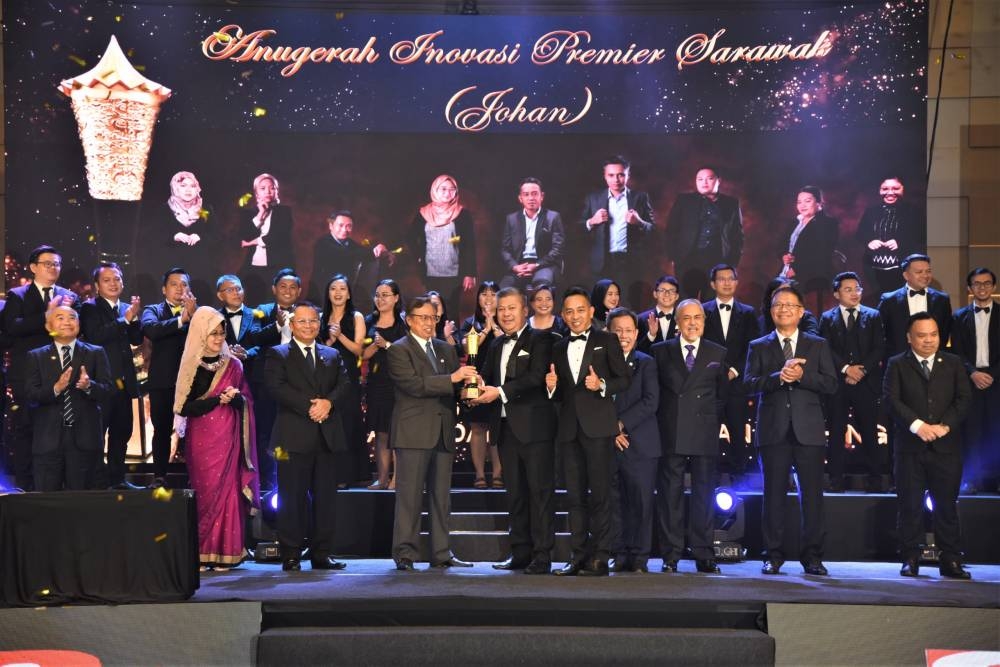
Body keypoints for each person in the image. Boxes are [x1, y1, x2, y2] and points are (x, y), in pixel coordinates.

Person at [745, 284, 837, 576]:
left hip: (808, 431)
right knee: (773, 495)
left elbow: (831, 384)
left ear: (800, 312)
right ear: (771, 312)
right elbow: (748, 384)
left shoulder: (817, 344)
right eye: (777, 305)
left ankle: (812, 557)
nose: (783, 309)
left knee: (812, 497)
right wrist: (777, 377)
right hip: (773, 431)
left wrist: (802, 376)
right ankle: (772, 555)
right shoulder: (758, 345)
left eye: (789, 305)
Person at [387, 295, 478, 571]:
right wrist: (452, 380)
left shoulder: (445, 349)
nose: (429, 323)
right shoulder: (398, 350)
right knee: (410, 497)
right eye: (423, 317)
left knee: (441, 497)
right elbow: (413, 385)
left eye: (433, 317)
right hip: (413, 432)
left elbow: (453, 389)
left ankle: (441, 553)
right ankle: (405, 553)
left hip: (443, 430)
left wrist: (469, 393)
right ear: (409, 320)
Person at [546, 286, 632, 576]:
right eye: (569, 311)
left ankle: (601, 556)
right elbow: (560, 396)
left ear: (591, 312)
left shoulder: (607, 340)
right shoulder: (557, 347)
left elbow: (624, 380)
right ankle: (578, 556)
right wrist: (552, 387)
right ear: (562, 315)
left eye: (580, 310)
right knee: (574, 497)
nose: (575, 316)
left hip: (598, 429)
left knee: (600, 495)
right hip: (569, 431)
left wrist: (602, 385)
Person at [474, 287, 557, 575]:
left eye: (511, 308)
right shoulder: (496, 345)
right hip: (506, 429)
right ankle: (520, 552)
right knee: (516, 494)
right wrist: (473, 387)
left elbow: (535, 378)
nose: (506, 314)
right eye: (501, 309)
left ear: (525, 311)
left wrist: (499, 392)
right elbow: (485, 375)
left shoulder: (541, 339)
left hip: (535, 431)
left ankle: (543, 555)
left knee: (539, 493)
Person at [264, 302, 352, 572]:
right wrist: (311, 406)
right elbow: (276, 387)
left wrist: (328, 403)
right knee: (291, 499)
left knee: (326, 500)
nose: (308, 326)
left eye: (313, 321)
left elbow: (345, 384)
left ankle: (321, 554)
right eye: (302, 322)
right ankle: (290, 554)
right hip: (292, 438)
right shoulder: (278, 354)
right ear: (292, 325)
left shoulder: (332, 354)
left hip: (326, 437)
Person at [884, 312, 972, 579]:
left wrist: (944, 426)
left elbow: (964, 399)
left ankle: (951, 560)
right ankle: (910, 558)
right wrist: (918, 425)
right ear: (909, 338)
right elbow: (891, 400)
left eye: (933, 335)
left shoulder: (954, 363)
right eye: (922, 335)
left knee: (946, 505)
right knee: (909, 505)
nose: (928, 340)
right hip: (910, 449)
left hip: (946, 448)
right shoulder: (897, 364)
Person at [174, 307, 260, 570]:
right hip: (201, 439)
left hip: (229, 437)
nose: (218, 338)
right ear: (200, 333)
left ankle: (227, 551)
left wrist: (235, 398)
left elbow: (247, 400)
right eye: (213, 333)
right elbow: (183, 407)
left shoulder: (234, 365)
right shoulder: (191, 364)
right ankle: (200, 552)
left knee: (229, 491)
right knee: (205, 493)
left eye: (221, 333)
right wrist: (213, 401)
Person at [652, 299, 728, 574]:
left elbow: (722, 396)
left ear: (704, 322)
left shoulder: (717, 353)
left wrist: (710, 419)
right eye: (686, 318)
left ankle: (704, 554)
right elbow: (656, 394)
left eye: (697, 317)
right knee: (670, 495)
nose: (693, 323)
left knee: (703, 495)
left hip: (704, 431)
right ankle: (670, 555)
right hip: (670, 430)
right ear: (678, 322)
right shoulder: (660, 351)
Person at [3, 245, 77, 491]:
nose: (53, 268)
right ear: (33, 267)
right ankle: (25, 485)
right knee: (26, 427)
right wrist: (46, 317)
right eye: (47, 264)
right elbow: (11, 328)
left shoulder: (68, 295)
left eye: (57, 264)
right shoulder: (18, 295)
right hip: (26, 373)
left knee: (59, 429)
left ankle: (56, 484)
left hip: (61, 371)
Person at [24, 305, 112, 492]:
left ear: (79, 324)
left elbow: (108, 391)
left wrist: (90, 386)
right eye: (60, 317)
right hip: (48, 440)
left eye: (72, 317)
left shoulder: (95, 353)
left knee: (83, 503)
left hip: (85, 439)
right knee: (47, 504)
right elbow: (30, 395)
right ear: (49, 326)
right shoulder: (36, 356)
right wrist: (56, 389)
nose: (67, 322)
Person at [818, 272, 886, 493]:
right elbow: (825, 348)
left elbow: (879, 348)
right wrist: (846, 369)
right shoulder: (827, 318)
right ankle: (836, 480)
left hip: (866, 384)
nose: (854, 293)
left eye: (857, 288)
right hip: (838, 383)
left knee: (869, 432)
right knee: (836, 432)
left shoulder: (873, 315)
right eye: (848, 289)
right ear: (836, 293)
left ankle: (875, 480)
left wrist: (861, 370)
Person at [605, 308, 660, 574]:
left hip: (641, 444)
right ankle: (619, 552)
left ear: (637, 334)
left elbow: (651, 401)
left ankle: (640, 557)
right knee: (615, 502)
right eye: (618, 330)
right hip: (609, 442)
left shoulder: (646, 362)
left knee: (640, 502)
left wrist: (621, 424)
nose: (623, 335)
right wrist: (611, 430)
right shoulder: (600, 363)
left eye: (628, 330)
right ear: (608, 332)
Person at [79, 262, 143, 490]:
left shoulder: (127, 307)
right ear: (97, 286)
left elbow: (136, 340)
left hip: (124, 382)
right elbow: (95, 336)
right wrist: (125, 320)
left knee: (121, 432)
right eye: (107, 280)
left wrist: (134, 320)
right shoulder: (90, 308)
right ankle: (96, 481)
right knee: (98, 433)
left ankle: (118, 480)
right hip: (101, 382)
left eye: (117, 279)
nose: (113, 283)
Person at [702, 264, 760, 483]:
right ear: (713, 284)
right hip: (710, 382)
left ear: (736, 282)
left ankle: (739, 473)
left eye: (730, 279)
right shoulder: (703, 311)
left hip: (737, 383)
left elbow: (752, 346)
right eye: (721, 279)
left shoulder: (748, 313)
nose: (726, 282)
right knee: (710, 430)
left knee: (738, 429)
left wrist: (736, 370)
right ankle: (711, 474)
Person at [140, 268, 198, 488]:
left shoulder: (199, 314)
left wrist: (191, 317)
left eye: (184, 284)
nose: (179, 288)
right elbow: (151, 330)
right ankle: (159, 476)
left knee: (193, 433)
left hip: (192, 382)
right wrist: (181, 320)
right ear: (164, 289)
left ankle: (196, 476)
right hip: (162, 381)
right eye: (174, 284)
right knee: (161, 429)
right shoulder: (153, 310)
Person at [580, 156, 655, 308]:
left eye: (621, 174)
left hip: (629, 261)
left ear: (628, 175)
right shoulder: (593, 198)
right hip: (601, 262)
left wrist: (639, 222)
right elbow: (577, 229)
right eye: (611, 175)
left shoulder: (640, 198)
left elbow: (654, 231)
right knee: (600, 306)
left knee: (627, 306)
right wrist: (592, 221)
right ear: (605, 176)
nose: (616, 179)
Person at [252, 268, 302, 491]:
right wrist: (278, 326)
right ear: (274, 289)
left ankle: (295, 480)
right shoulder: (262, 311)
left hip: (299, 384)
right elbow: (253, 337)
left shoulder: (307, 312)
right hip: (268, 382)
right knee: (266, 430)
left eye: (293, 287)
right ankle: (267, 480)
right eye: (283, 286)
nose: (288, 291)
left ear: (299, 291)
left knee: (296, 431)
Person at [949, 268, 999, 494]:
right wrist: (973, 373)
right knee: (971, 432)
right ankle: (972, 481)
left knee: (996, 432)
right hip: (969, 381)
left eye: (987, 283)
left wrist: (991, 375)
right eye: (977, 284)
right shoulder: (958, 317)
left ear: (994, 287)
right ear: (970, 289)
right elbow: (956, 351)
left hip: (997, 382)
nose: (982, 287)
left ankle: (996, 481)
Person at [666, 167, 744, 300]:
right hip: (688, 260)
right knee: (686, 303)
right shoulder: (684, 200)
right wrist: (674, 256)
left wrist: (731, 264)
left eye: (709, 178)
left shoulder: (731, 203)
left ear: (718, 181)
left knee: (712, 304)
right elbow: (671, 230)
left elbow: (737, 236)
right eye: (700, 179)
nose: (704, 182)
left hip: (717, 261)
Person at [320, 274, 368, 487]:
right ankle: (327, 474)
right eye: (333, 289)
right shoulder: (320, 316)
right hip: (324, 377)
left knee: (347, 424)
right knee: (327, 425)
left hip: (348, 375)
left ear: (348, 294)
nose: (337, 293)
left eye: (342, 289)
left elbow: (359, 350)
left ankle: (346, 475)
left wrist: (339, 336)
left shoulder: (355, 316)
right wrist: (330, 338)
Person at [406, 174, 478, 315]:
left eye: (452, 189)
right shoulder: (423, 213)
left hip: (455, 272)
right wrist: (419, 256)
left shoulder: (463, 214)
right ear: (435, 190)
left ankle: (450, 338)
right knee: (433, 311)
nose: (448, 193)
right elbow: (410, 238)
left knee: (451, 312)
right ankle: (434, 338)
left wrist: (470, 273)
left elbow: (470, 245)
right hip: (430, 271)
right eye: (443, 189)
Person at [361, 279, 407, 489]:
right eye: (378, 294)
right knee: (380, 433)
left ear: (396, 298)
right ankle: (382, 477)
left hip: (397, 383)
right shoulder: (369, 322)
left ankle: (398, 477)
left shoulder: (404, 323)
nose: (380, 299)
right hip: (376, 383)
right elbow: (359, 353)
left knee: (397, 433)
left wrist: (387, 345)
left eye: (385, 294)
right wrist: (366, 353)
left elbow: (409, 353)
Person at [458, 281, 504, 489]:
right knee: (477, 427)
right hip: (475, 378)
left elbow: (505, 343)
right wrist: (485, 328)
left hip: (499, 380)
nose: (488, 298)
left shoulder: (506, 320)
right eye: (484, 294)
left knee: (496, 427)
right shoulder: (470, 322)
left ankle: (497, 473)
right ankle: (478, 474)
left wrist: (494, 324)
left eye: (493, 294)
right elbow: (468, 346)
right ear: (477, 298)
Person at [878, 253, 953, 364]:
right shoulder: (889, 300)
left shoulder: (942, 300)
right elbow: (880, 334)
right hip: (898, 363)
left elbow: (945, 332)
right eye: (919, 272)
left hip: (933, 362)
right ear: (906, 275)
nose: (925, 275)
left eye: (928, 271)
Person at [855, 177, 922, 300]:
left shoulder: (913, 211)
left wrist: (900, 242)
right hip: (873, 271)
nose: (890, 192)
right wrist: (869, 242)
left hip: (903, 271)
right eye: (885, 188)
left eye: (895, 188)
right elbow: (860, 234)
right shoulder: (871, 211)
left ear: (903, 189)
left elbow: (920, 236)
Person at [309, 210, 392, 304]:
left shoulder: (350, 244)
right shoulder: (323, 243)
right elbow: (347, 255)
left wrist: (381, 250)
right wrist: (373, 252)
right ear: (331, 226)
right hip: (322, 296)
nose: (344, 229)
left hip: (343, 296)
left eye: (349, 226)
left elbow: (364, 253)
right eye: (340, 225)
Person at [155, 171, 216, 297]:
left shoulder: (206, 209)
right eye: (183, 186)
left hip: (200, 270)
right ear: (175, 188)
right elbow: (154, 237)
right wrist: (175, 237)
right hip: (171, 267)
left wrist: (200, 237)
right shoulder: (164, 209)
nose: (188, 190)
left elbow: (216, 236)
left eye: (192, 186)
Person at [779, 186, 839, 312]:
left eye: (808, 201)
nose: (802, 205)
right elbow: (781, 245)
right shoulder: (795, 222)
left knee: (787, 300)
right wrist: (783, 256)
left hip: (813, 274)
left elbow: (822, 254)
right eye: (799, 202)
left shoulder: (828, 223)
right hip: (787, 271)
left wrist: (797, 269)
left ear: (818, 202)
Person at [500, 177, 565, 290]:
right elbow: (505, 250)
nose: (531, 198)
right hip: (519, 266)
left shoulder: (553, 217)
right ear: (520, 198)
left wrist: (536, 265)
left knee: (541, 289)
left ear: (542, 196)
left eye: (535, 194)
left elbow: (558, 249)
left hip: (544, 265)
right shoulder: (511, 219)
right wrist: (515, 267)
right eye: (526, 194)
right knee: (503, 291)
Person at [240, 173, 295, 300]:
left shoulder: (285, 212)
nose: (268, 191)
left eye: (272, 188)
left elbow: (279, 237)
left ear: (276, 191)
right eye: (263, 188)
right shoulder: (248, 214)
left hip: (278, 265)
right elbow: (245, 237)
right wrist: (260, 214)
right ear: (256, 192)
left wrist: (254, 242)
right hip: (253, 266)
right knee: (251, 299)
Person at [636, 275, 680, 353]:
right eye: (662, 290)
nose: (667, 294)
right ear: (655, 294)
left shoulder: (682, 319)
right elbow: (637, 350)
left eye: (671, 291)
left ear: (677, 296)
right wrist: (651, 335)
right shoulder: (641, 319)